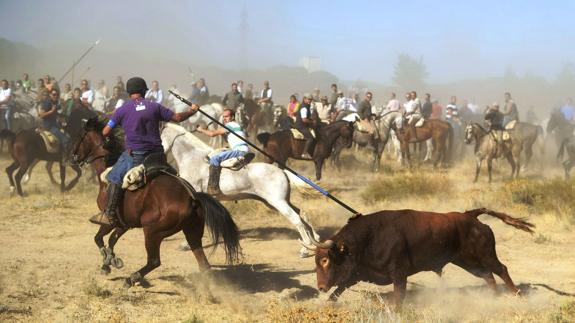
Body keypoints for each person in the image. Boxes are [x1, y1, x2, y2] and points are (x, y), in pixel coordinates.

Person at [91, 77, 200, 227]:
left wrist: (115, 119)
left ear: (128, 92)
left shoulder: (121, 110)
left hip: (136, 156)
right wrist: (192, 110)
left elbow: (105, 131)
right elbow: (178, 117)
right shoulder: (154, 106)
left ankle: (109, 214)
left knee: (114, 176)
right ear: (144, 90)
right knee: (174, 176)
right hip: (157, 155)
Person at [196, 108, 249, 195]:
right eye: (223, 117)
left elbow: (212, 134)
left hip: (240, 150)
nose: (224, 118)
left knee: (214, 159)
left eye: (227, 116)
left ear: (232, 117)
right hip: (242, 149)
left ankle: (213, 187)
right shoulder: (234, 125)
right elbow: (227, 139)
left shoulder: (230, 125)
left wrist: (201, 130)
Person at [295, 93, 316, 159]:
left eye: (311, 99)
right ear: (304, 99)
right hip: (301, 126)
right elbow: (304, 120)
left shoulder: (307, 106)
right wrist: (312, 122)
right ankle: (304, 153)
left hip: (302, 125)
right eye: (308, 99)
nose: (310, 100)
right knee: (310, 138)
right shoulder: (304, 107)